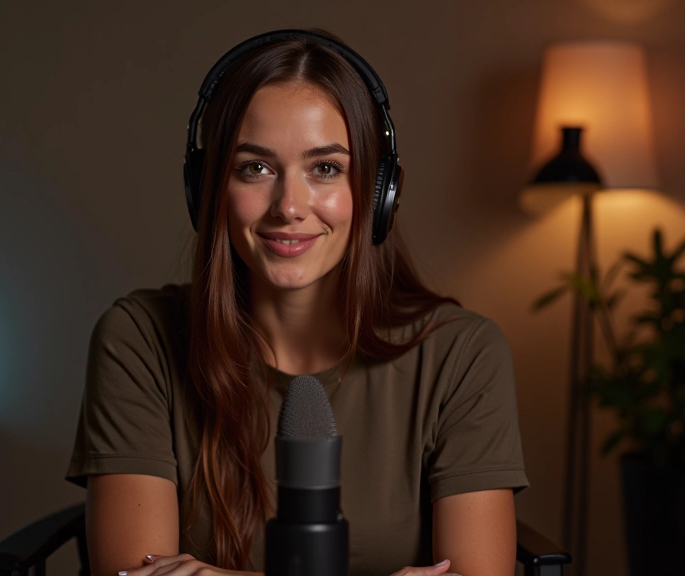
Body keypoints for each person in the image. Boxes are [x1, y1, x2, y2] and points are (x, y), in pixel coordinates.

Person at [67, 29, 527, 576]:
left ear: (379, 194)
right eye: (254, 168)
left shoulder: (461, 353)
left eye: (325, 168)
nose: (289, 206)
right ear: (208, 189)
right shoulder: (139, 339)